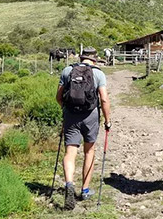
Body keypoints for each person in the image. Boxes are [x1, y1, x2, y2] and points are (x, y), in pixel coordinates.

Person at [56, 47, 111, 210]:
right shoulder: (99, 74)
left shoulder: (67, 71)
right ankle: (85, 190)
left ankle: (69, 184)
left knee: (70, 152)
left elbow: (58, 97)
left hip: (71, 115)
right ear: (94, 59)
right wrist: (108, 120)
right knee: (89, 151)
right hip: (91, 116)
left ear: (81, 58)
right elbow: (104, 100)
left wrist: (66, 111)